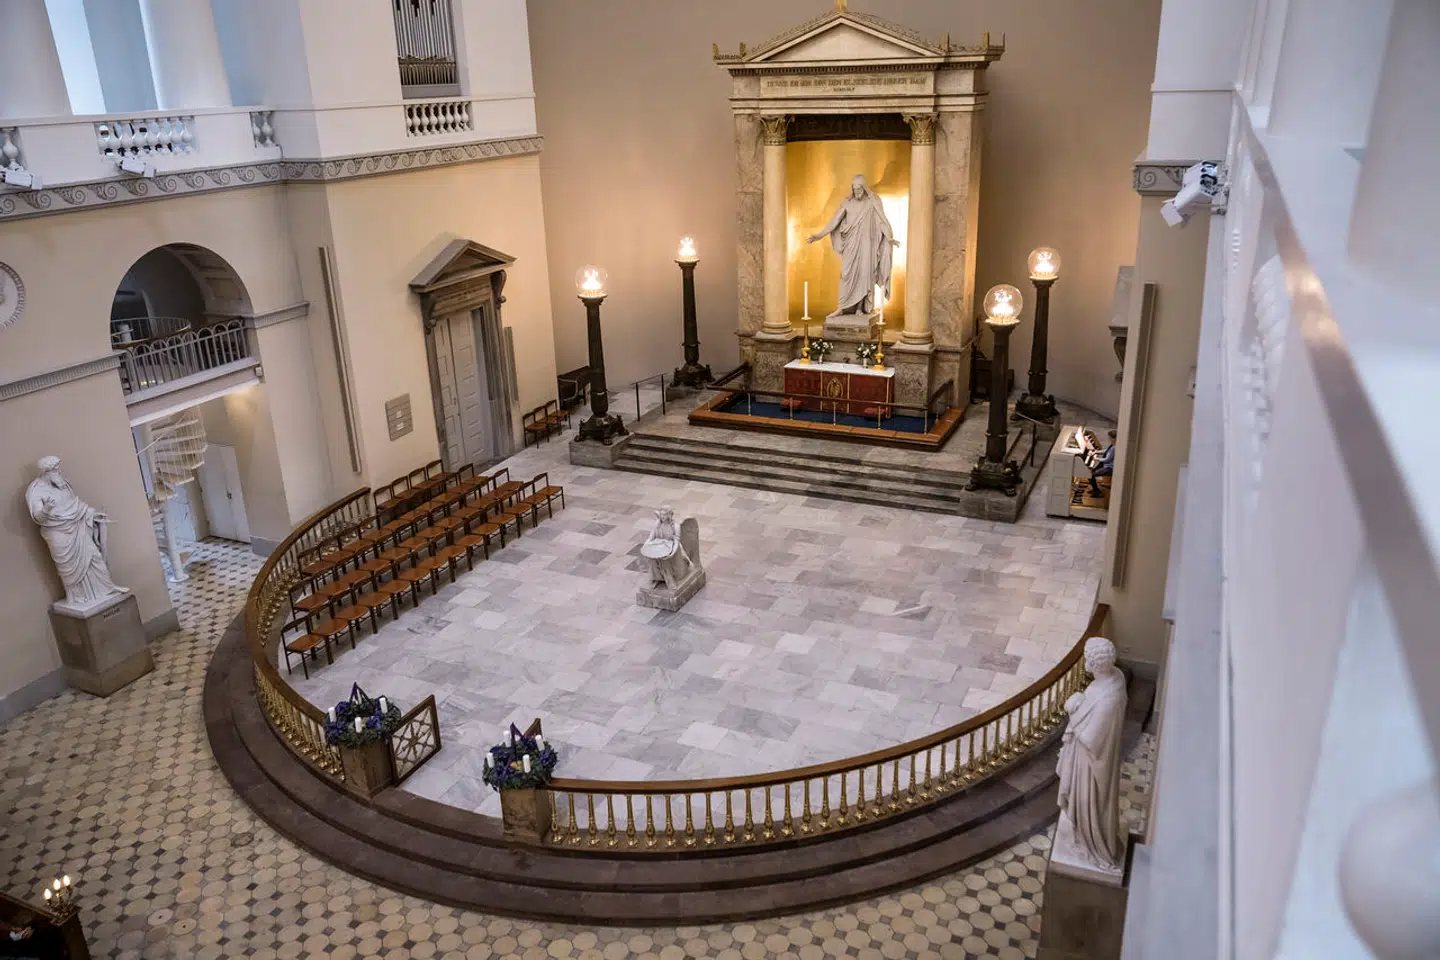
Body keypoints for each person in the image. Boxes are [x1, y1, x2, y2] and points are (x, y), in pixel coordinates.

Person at [1056, 636, 1128, 870]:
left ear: (1094, 663)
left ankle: (1093, 843)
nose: (1085, 661)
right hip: (1088, 757)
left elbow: (1090, 739)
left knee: (1088, 802)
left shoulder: (1108, 699)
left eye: (1087, 657)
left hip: (1091, 764)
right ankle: (1082, 835)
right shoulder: (1114, 676)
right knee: (1084, 802)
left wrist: (1073, 709)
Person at [25, 457, 120, 608]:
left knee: (94, 557)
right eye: (55, 469)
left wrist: (91, 513)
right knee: (68, 569)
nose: (59, 472)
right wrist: (46, 510)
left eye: (58, 468)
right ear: (47, 472)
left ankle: (105, 589)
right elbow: (38, 516)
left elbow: (75, 505)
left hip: (77, 527)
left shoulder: (63, 484)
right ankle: (76, 597)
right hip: (58, 533)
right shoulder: (36, 491)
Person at [806, 174, 900, 318]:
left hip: (867, 245)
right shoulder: (847, 202)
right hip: (851, 244)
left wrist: (889, 237)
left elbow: (881, 221)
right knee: (846, 274)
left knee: (864, 275)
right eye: (855, 190)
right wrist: (819, 235)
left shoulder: (872, 202)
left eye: (859, 190)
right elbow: (835, 221)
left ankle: (859, 308)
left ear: (864, 188)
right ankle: (841, 307)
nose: (857, 193)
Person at [1087, 430, 1116, 496]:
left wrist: (1096, 458)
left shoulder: (1114, 448)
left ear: (1114, 439)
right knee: (1090, 471)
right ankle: (1095, 489)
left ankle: (1096, 491)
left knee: (1090, 474)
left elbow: (1107, 460)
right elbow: (1106, 451)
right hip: (1105, 465)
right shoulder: (1113, 445)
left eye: (1110, 438)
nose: (1108, 439)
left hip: (1109, 468)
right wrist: (1096, 452)